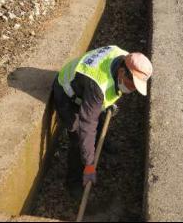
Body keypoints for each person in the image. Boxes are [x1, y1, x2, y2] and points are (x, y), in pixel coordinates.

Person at [52, 45, 153, 198]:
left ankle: (100, 142)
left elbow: (101, 102)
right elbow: (87, 123)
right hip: (67, 92)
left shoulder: (126, 58)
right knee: (78, 136)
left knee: (98, 114)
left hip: (87, 90)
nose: (132, 90)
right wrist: (89, 165)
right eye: (131, 85)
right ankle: (73, 182)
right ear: (121, 72)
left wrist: (108, 105)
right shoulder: (99, 85)